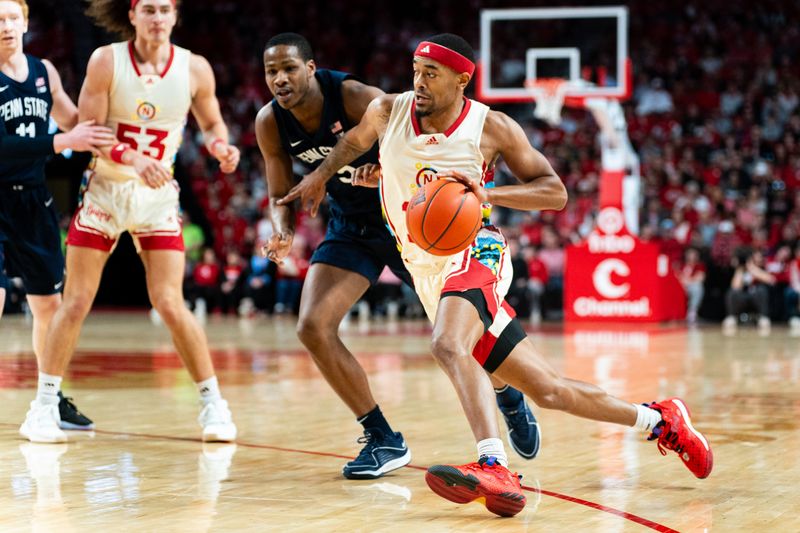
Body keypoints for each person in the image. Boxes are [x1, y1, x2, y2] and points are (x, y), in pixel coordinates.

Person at [279, 33, 713, 517]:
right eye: (416, 72)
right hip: (426, 271)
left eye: (431, 75)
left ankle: (494, 463)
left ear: (462, 80)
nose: (418, 84)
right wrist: (323, 176)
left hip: (476, 251)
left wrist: (491, 195)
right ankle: (660, 420)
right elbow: (351, 143)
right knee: (549, 390)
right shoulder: (387, 110)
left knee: (447, 344)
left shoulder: (493, 128)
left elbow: (555, 192)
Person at [257, 33, 539, 479]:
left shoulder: (353, 95)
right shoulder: (270, 122)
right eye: (271, 71)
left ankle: (507, 393)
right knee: (312, 325)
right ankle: (382, 437)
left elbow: (413, 132)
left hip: (416, 221)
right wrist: (283, 231)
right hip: (351, 226)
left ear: (310, 69)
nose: (280, 79)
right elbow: (281, 194)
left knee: (464, 338)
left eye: (289, 68)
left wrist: (384, 170)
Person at [19, 0, 239, 444]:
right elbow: (88, 130)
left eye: (165, 10)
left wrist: (221, 147)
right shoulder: (107, 61)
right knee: (76, 300)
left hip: (156, 198)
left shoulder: (195, 69)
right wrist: (133, 158)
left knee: (169, 302)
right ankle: (43, 407)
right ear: (133, 15)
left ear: (177, 15)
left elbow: (212, 122)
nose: (158, 18)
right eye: (149, 10)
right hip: (106, 191)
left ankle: (215, 405)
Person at [1, 0, 115, 433]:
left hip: (32, 199)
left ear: (27, 23)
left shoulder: (43, 71)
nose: (7, 26)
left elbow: (74, 120)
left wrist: (116, 133)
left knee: (49, 305)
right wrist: (64, 139)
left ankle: (50, 397)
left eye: (13, 17)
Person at [722, 249, 775, 331]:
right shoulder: (739, 269)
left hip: (756, 297)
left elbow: (771, 280)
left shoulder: (762, 267)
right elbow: (735, 286)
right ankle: (732, 317)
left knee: (762, 290)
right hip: (743, 298)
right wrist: (740, 269)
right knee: (732, 292)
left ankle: (763, 317)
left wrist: (752, 268)